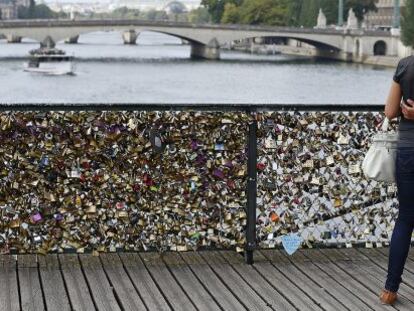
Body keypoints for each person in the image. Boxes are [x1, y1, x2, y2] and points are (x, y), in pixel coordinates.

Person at [382, 55, 414, 305]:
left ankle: (390, 290)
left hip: (407, 151)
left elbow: (390, 112)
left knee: (405, 219)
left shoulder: (406, 65)